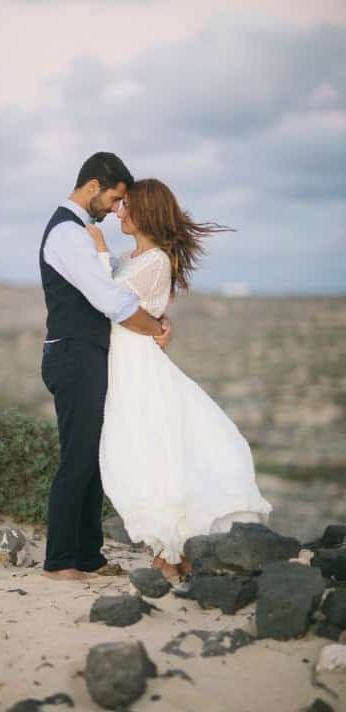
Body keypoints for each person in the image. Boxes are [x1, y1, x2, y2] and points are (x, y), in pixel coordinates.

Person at [88, 178, 272, 578]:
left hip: (138, 364)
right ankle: (169, 551)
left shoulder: (153, 262)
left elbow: (111, 302)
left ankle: (172, 550)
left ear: (146, 211)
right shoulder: (132, 258)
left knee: (153, 453)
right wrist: (158, 321)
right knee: (140, 452)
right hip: (125, 362)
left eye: (126, 206)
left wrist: (99, 252)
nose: (119, 212)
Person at [39, 152, 173, 581]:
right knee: (78, 458)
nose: (118, 209)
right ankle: (61, 562)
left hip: (87, 353)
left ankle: (88, 555)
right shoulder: (67, 234)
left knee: (92, 457)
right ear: (93, 186)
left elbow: (116, 287)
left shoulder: (80, 232)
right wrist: (154, 326)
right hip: (74, 353)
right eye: (115, 199)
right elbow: (110, 299)